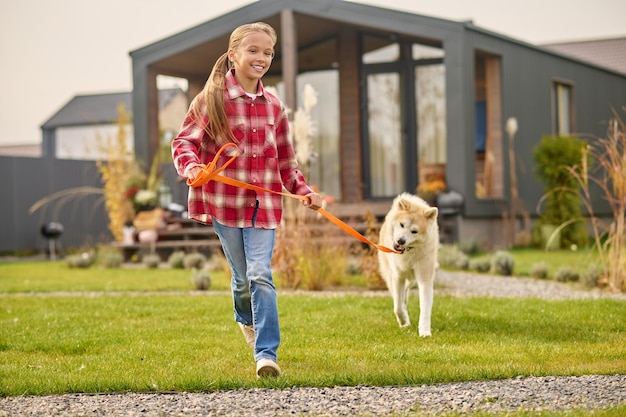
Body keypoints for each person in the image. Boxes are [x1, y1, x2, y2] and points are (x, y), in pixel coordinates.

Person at [171, 22, 322, 378]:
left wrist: (304, 191)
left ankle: (266, 354)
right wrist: (192, 168)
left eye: (268, 52)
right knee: (241, 280)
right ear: (233, 54)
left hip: (264, 208)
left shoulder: (274, 107)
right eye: (253, 50)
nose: (261, 58)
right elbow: (184, 143)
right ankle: (245, 318)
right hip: (225, 203)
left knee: (260, 274)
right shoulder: (212, 99)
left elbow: (286, 160)